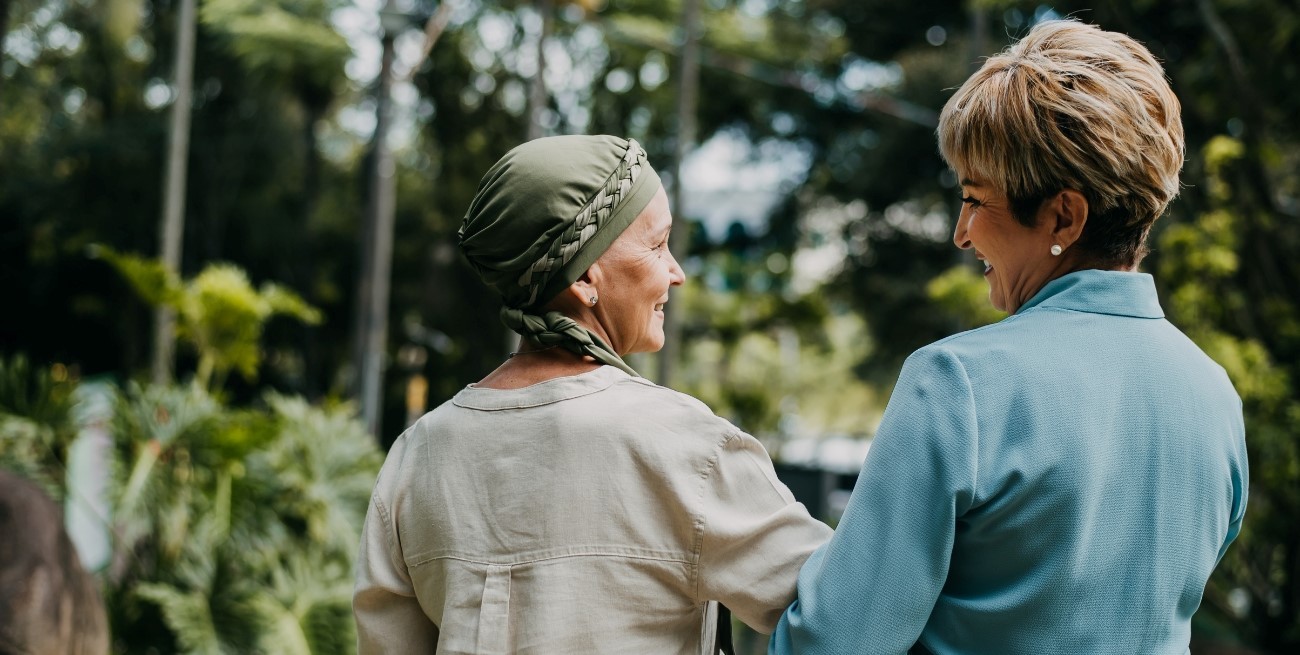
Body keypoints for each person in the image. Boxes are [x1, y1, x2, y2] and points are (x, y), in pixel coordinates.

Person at [770, 19, 1248, 655]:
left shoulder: (957, 384)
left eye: (974, 200)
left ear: (1063, 217)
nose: (960, 233)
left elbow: (836, 641)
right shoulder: (1214, 395)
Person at [353, 134, 832, 654]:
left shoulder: (418, 455)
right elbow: (840, 611)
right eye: (657, 245)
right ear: (585, 278)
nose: (676, 273)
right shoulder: (684, 445)